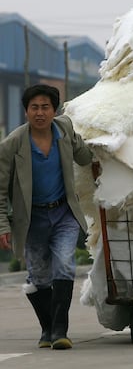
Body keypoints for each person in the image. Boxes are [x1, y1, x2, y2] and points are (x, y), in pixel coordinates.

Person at [0, 84, 93, 349]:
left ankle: (60, 331)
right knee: (39, 278)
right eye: (34, 108)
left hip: (63, 213)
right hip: (31, 221)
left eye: (45, 107)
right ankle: (48, 328)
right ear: (26, 111)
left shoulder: (64, 130)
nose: (40, 113)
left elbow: (85, 158)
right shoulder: (11, 145)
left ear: (54, 110)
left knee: (64, 265)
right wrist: (2, 226)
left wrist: (92, 145)